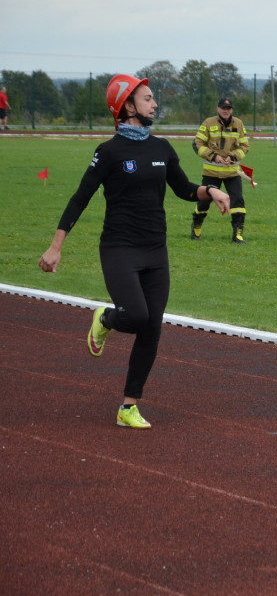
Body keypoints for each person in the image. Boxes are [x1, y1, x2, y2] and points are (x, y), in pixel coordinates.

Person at [37, 74, 230, 429]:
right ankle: (106, 319)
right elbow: (80, 198)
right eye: (148, 98)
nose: (155, 104)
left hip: (155, 250)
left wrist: (211, 191)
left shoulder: (162, 148)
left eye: (153, 99)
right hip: (119, 249)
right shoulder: (108, 152)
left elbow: (185, 189)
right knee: (136, 315)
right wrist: (55, 246)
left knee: (152, 327)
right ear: (127, 105)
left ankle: (128, 406)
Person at [190, 97, 251, 243]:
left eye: (228, 108)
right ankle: (196, 226)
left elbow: (245, 146)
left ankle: (237, 234)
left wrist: (233, 157)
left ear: (232, 110)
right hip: (212, 172)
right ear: (218, 109)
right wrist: (213, 156)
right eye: (223, 108)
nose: (226, 111)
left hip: (232, 172)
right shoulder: (208, 123)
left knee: (238, 202)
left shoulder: (238, 123)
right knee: (204, 202)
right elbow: (197, 143)